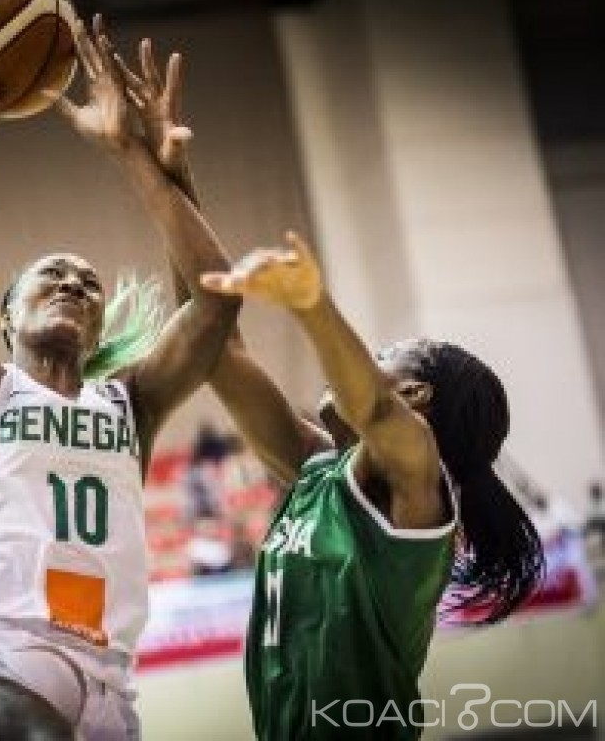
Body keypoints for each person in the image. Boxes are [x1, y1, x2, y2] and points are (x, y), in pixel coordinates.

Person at [119, 40, 544, 739]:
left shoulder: (417, 483)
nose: (363, 365)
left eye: (381, 355)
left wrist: (311, 304)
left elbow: (373, 406)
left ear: (418, 397)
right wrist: (163, 174)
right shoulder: (318, 471)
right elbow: (217, 344)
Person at [0, 16, 240, 741]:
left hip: (105, 671)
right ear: (4, 319)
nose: (73, 283)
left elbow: (216, 298)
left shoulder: (131, 404)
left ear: (97, 329)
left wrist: (133, 155)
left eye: (88, 283)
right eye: (50, 275)